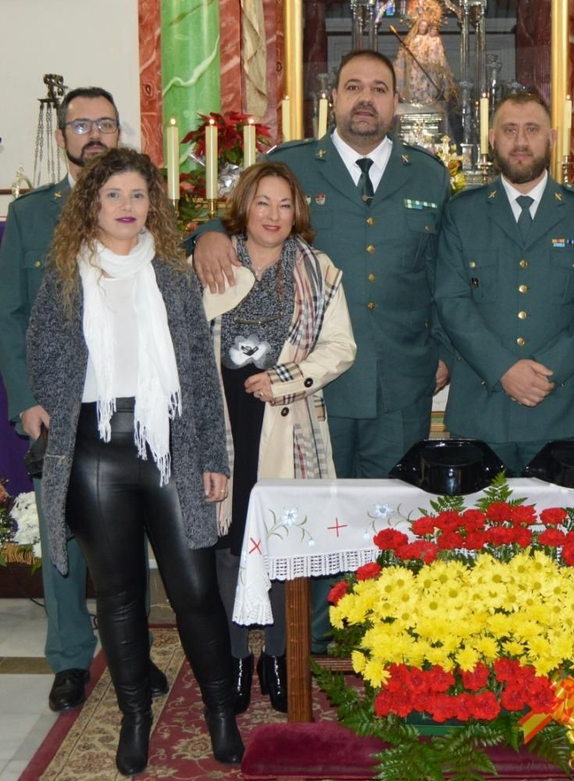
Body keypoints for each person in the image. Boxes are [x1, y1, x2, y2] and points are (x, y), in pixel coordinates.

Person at [192, 50, 450, 649]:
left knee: (389, 516)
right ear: (333, 98)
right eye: (353, 86)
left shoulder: (428, 174)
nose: (367, 98)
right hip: (311, 393)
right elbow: (238, 222)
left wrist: (448, 354)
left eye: (380, 88)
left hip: (401, 380)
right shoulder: (293, 164)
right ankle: (304, 643)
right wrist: (206, 231)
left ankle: (383, 637)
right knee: (314, 518)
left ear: (395, 101)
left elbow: (447, 274)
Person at [26, 147, 241, 775]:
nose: (127, 207)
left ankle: (221, 714)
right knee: (118, 594)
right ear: (92, 203)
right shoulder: (66, 275)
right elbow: (41, 352)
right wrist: (52, 414)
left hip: (170, 445)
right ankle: (135, 719)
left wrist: (212, 456)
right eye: (114, 195)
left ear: (154, 205)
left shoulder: (174, 274)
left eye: (139, 196)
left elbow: (201, 374)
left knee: (195, 589)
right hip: (96, 450)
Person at [0, 87, 169, 714]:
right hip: (62, 408)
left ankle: (135, 653)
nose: (93, 133)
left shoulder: (142, 200)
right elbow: (10, 316)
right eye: (81, 123)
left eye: (106, 123)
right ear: (62, 133)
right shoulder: (31, 215)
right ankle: (70, 658)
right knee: (63, 535)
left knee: (135, 534)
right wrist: (26, 398)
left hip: (131, 406)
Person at [202, 161, 356, 715]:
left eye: (285, 205)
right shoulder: (212, 261)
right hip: (221, 421)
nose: (273, 215)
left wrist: (288, 380)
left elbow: (340, 348)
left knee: (283, 546)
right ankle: (239, 656)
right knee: (229, 543)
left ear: (298, 213)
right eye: (262, 203)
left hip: (287, 422)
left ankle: (280, 660)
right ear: (244, 206)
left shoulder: (317, 270)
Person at [435, 92, 574, 475]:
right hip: (480, 409)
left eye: (532, 130)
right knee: (475, 533)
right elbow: (452, 300)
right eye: (509, 130)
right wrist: (504, 368)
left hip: (562, 409)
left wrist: (548, 372)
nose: (521, 142)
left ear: (553, 138)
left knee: (563, 533)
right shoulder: (463, 212)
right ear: (493, 138)